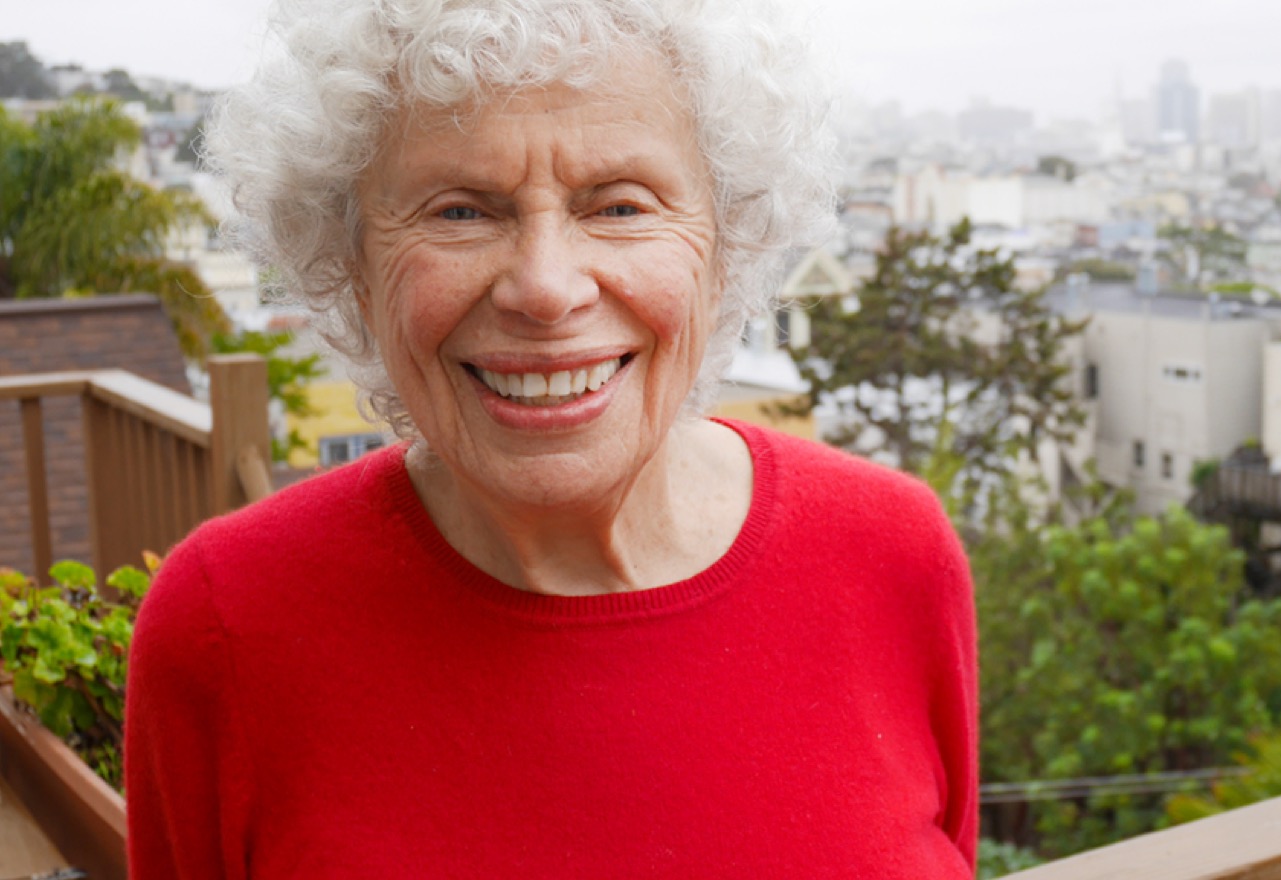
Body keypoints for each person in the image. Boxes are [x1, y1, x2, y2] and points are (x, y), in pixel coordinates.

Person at [122, 0, 978, 875]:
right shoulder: (227, 624)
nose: (545, 288)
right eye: (461, 212)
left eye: (620, 207)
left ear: (727, 251)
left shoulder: (892, 554)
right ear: (352, 268)